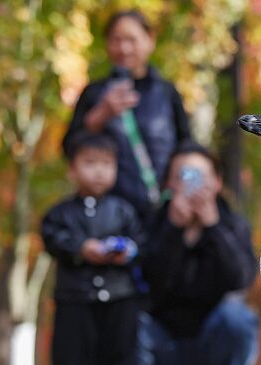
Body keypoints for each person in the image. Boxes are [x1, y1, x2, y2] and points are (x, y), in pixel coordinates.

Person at [131, 142, 260, 365]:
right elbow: (148, 282)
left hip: (212, 343)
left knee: (239, 316)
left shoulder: (232, 223)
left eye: (200, 176)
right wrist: (174, 230)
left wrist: (213, 227)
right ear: (169, 183)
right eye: (183, 175)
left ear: (217, 182)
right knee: (126, 316)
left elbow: (240, 279)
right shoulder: (153, 222)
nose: (192, 184)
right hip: (162, 344)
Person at [40, 131, 143, 365]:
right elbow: (52, 238)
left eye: (106, 164)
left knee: (118, 349)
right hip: (75, 295)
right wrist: (81, 248)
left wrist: (126, 251)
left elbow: (140, 241)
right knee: (72, 351)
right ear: (73, 170)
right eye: (90, 163)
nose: (99, 171)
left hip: (119, 294)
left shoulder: (123, 210)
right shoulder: (61, 212)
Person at [63, 9, 192, 220]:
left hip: (161, 210)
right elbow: (69, 148)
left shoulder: (167, 93)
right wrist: (101, 115)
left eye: (131, 40)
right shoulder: (94, 93)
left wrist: (183, 192)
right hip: (107, 212)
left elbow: (187, 148)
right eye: (116, 40)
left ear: (150, 40)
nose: (124, 48)